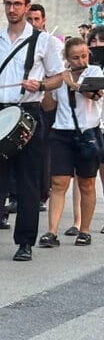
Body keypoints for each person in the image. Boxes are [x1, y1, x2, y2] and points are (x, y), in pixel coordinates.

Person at [0, 0, 64, 263]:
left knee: (28, 183)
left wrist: (41, 84)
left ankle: (25, 242)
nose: (12, 9)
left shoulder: (43, 41)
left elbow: (58, 76)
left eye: (18, 4)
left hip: (28, 113)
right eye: (8, 3)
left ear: (27, 6)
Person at [39, 37, 101, 248]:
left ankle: (84, 230)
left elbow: (94, 94)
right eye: (75, 57)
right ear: (67, 58)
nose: (81, 60)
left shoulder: (94, 72)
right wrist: (48, 84)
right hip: (62, 132)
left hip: (87, 132)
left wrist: (71, 83)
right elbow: (48, 107)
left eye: (84, 55)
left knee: (86, 183)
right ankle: (51, 231)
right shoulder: (60, 76)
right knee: (58, 183)